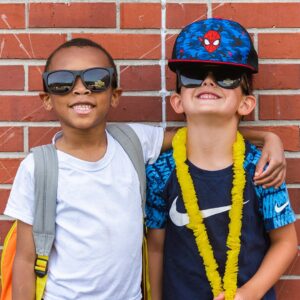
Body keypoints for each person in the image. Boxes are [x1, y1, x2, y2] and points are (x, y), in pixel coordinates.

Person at [3, 37, 287, 300]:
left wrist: (268, 138)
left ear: (115, 95)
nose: (80, 88)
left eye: (96, 80)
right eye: (62, 82)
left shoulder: (134, 142)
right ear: (47, 99)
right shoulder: (38, 167)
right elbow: (26, 259)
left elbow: (201, 134)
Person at [145, 18, 297, 300]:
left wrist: (250, 293)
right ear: (177, 101)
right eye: (192, 75)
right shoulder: (161, 172)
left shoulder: (262, 167)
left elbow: (286, 242)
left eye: (226, 77)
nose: (208, 80)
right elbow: (155, 246)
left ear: (246, 103)